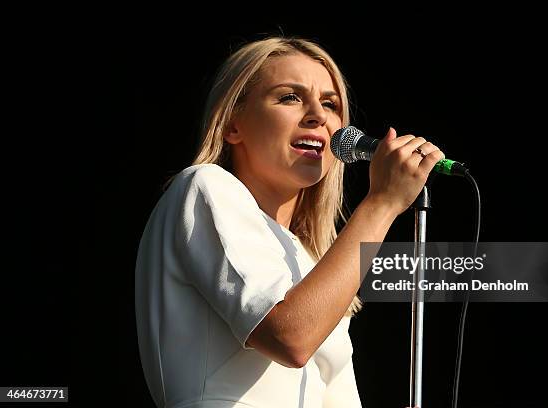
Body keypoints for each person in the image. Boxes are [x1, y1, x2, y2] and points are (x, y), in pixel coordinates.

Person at [135, 36, 443, 408]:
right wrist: (382, 204)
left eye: (330, 104)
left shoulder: (310, 258)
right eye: (290, 97)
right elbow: (291, 337)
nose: (318, 115)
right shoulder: (205, 186)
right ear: (234, 125)